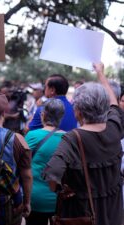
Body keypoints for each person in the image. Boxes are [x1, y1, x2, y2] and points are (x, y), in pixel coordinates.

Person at [43, 63, 123, 225]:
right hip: (114, 213)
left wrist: (65, 189)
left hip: (83, 214)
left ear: (78, 111)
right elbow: (114, 104)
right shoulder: (114, 128)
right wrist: (100, 73)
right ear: (104, 106)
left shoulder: (73, 138)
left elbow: (52, 177)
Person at [0, 92, 32, 225]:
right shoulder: (19, 139)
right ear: (3, 114)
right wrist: (27, 202)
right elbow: (27, 175)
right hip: (13, 202)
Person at [25, 99, 65, 225]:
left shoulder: (32, 136)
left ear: (43, 115)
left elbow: (22, 167)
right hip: (59, 200)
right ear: (61, 117)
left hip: (35, 199)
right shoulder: (69, 138)